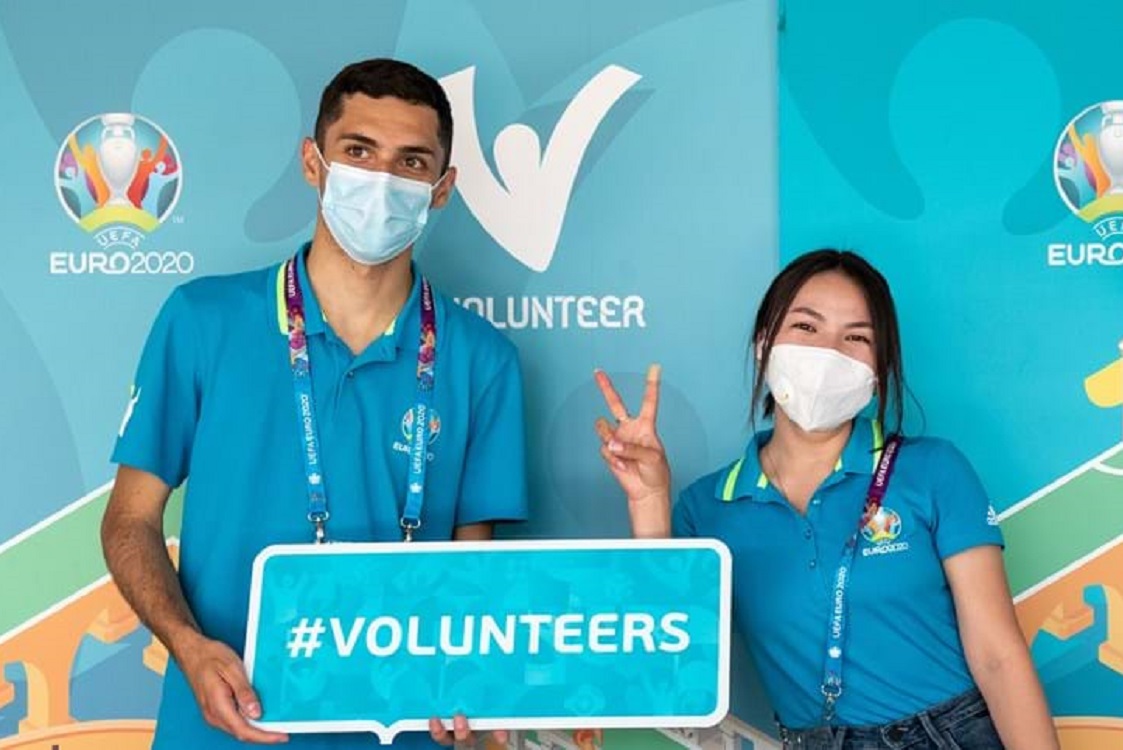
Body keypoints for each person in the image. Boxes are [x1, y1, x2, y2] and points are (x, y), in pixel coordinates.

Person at [101, 58, 527, 749]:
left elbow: (468, 568)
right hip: (225, 727)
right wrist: (187, 644)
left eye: (411, 162)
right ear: (312, 162)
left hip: (403, 730)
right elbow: (129, 521)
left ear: (442, 188)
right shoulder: (203, 320)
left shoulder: (483, 359)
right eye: (358, 151)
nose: (381, 180)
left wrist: (468, 682)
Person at [593, 249, 1059, 749]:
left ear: (879, 368)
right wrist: (649, 500)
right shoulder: (706, 508)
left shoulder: (933, 469)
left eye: (856, 337)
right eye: (806, 327)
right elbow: (667, 671)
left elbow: (998, 656)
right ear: (763, 343)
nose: (828, 352)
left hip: (950, 734)